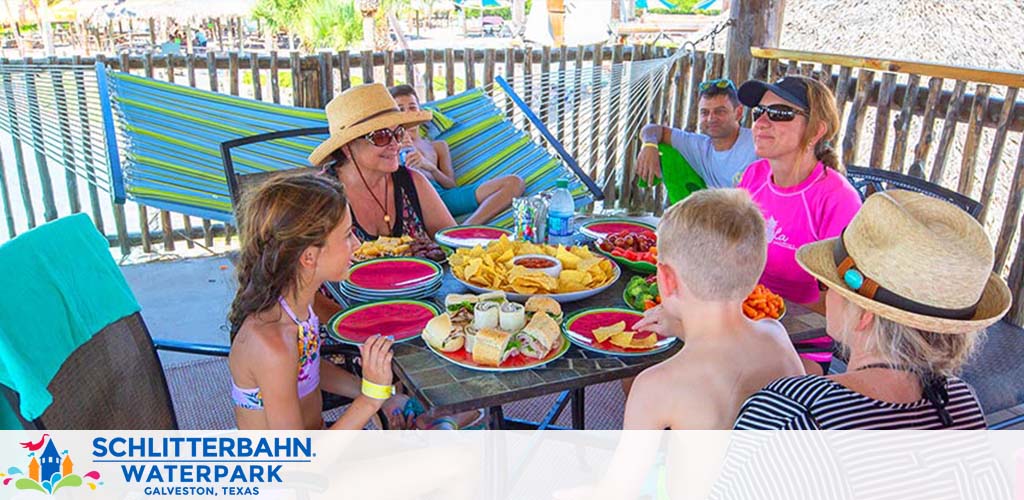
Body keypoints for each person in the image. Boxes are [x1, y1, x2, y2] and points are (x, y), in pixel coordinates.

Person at [734, 190, 1011, 429]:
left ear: (865, 314)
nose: (824, 293)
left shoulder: (792, 411)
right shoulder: (961, 402)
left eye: (827, 283)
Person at [227, 171, 396, 430]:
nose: (358, 243)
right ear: (309, 257)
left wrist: (385, 396)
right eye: (348, 235)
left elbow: (306, 370)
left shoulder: (298, 309)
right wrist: (371, 398)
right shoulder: (272, 345)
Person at [625, 189, 804, 430]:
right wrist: (680, 328)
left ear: (667, 280)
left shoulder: (655, 386)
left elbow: (629, 469)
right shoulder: (776, 335)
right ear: (754, 275)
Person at [735, 75, 863, 375]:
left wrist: (769, 306)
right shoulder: (753, 176)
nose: (762, 122)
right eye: (759, 113)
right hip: (741, 321)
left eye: (780, 114)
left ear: (817, 130)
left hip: (801, 339)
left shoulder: (837, 200)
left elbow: (844, 305)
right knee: (645, 367)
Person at [389, 84, 525, 225]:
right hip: (411, 201)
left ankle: (464, 228)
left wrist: (429, 167)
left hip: (444, 197)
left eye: (412, 107)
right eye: (400, 109)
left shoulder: (438, 146)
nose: (407, 114)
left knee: (515, 182)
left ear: (420, 111)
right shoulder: (389, 145)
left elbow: (451, 185)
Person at [636, 78, 758, 189]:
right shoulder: (699, 146)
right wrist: (649, 145)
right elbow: (652, 129)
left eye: (720, 111)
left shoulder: (757, 143)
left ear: (738, 113)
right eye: (705, 112)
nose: (711, 118)